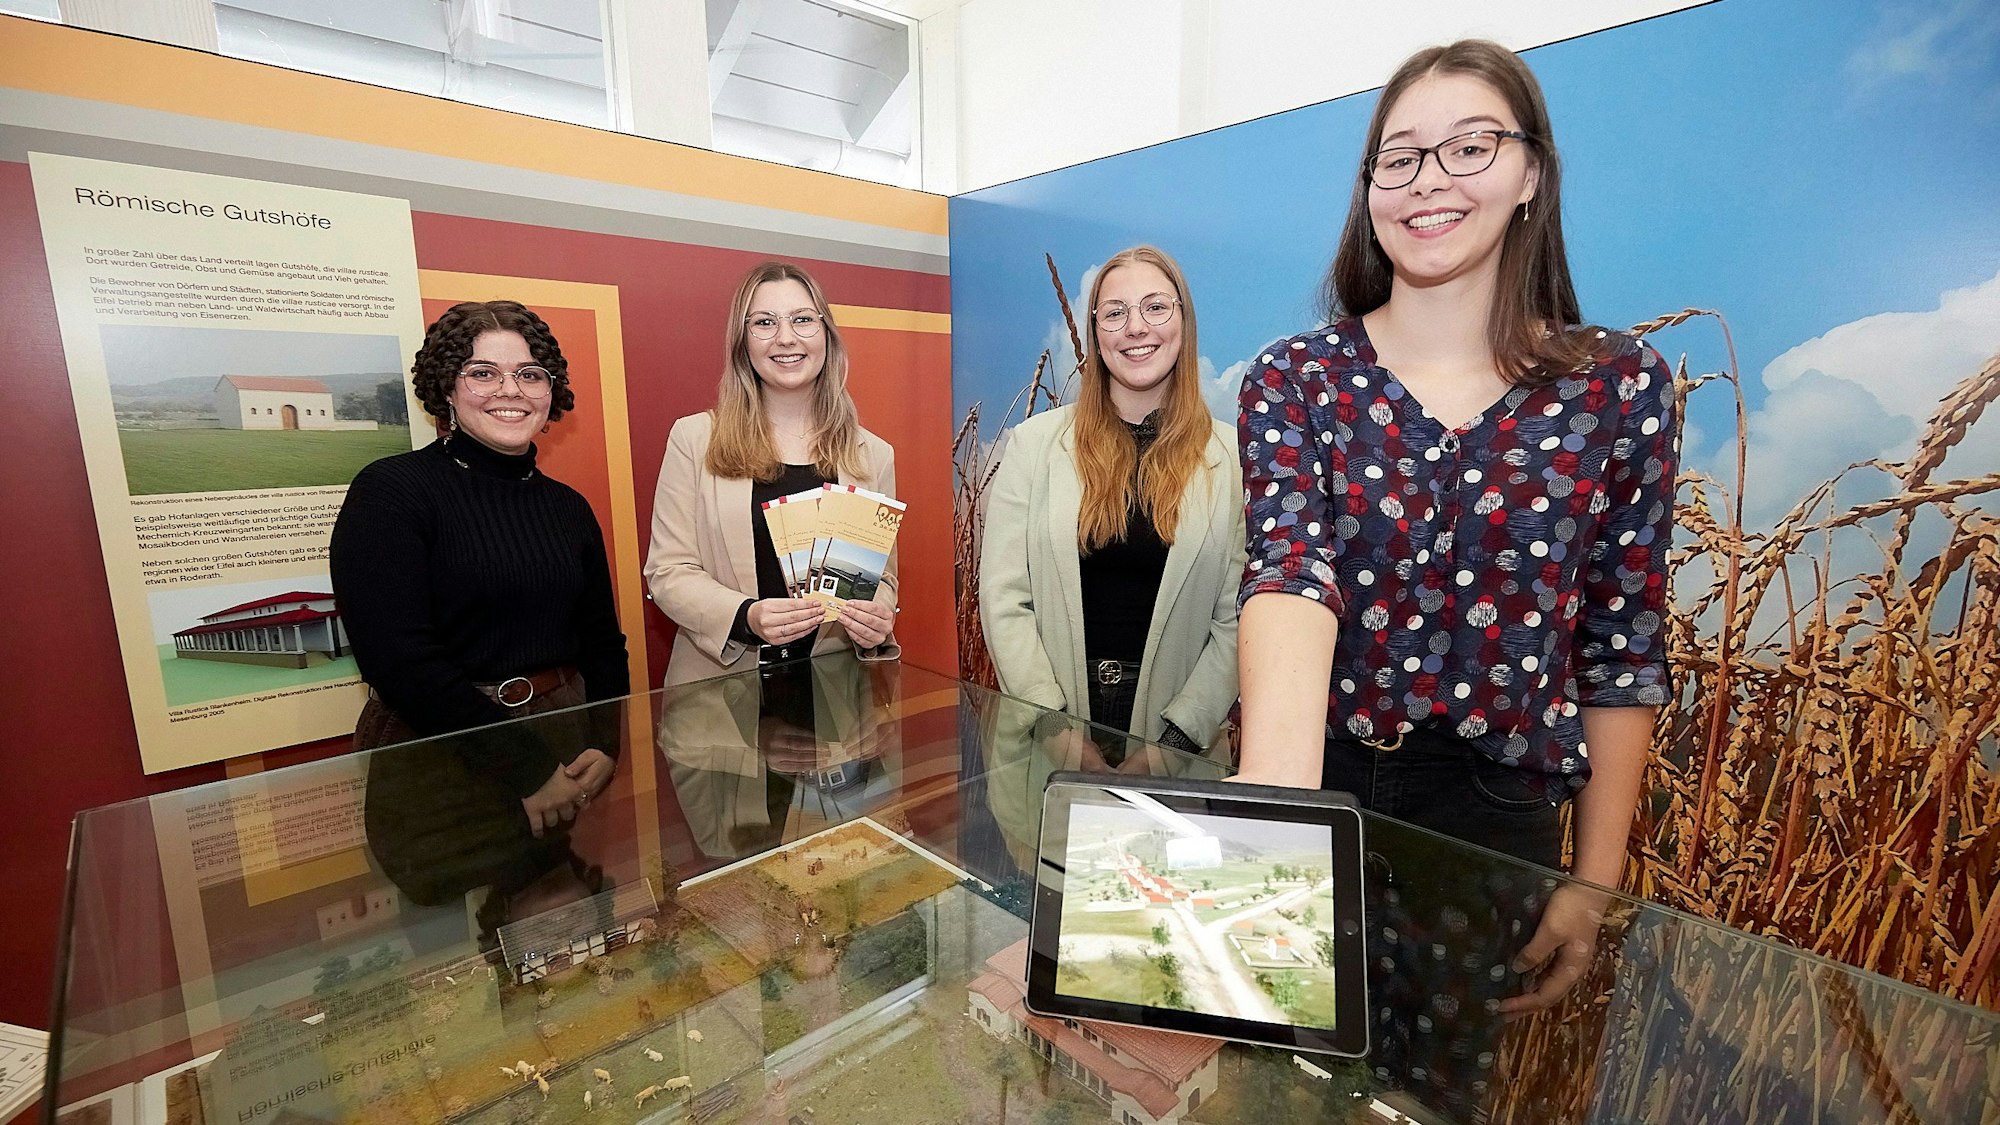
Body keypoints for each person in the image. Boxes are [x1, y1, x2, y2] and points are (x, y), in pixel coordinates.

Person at [1231, 37, 1677, 1091]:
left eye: (1468, 146)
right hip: (1321, 774)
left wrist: (1594, 877)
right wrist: (1274, 829)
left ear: (1529, 172)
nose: (1429, 181)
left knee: (1437, 1095)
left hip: (1494, 818)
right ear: (1368, 188)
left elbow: (1620, 641)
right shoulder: (1296, 378)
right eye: (1399, 157)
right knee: (1274, 1091)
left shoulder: (1616, 386)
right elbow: (1291, 575)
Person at [332, 300, 629, 840]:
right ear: (446, 387)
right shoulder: (390, 492)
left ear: (550, 392)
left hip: (567, 742)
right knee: (450, 916)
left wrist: (605, 743)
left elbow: (602, 641)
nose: (510, 391)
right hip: (440, 748)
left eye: (529, 375)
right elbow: (399, 663)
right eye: (483, 373)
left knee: (564, 906)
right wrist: (528, 770)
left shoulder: (568, 507)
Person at [980, 245, 1245, 761]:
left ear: (1183, 322)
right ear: (1096, 331)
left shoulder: (1234, 460)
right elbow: (1004, 599)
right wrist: (1055, 729)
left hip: (1182, 750)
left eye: (1155, 307)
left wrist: (1174, 744)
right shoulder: (1033, 446)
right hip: (1048, 743)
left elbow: (1236, 619)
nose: (1136, 327)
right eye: (1116, 312)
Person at [644, 262, 898, 689]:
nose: (786, 337)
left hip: (834, 691)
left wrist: (878, 614)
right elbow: (668, 571)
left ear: (826, 335)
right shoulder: (695, 439)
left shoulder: (872, 454)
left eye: (802, 319)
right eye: (764, 322)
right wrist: (746, 615)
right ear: (743, 341)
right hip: (722, 692)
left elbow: (881, 577)